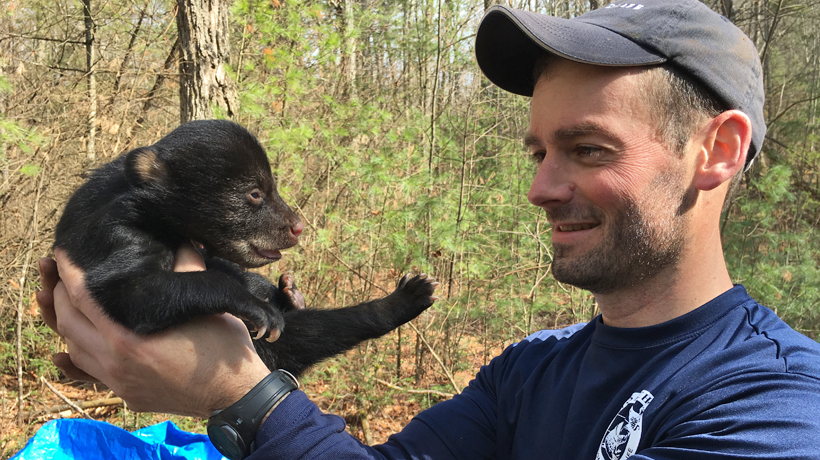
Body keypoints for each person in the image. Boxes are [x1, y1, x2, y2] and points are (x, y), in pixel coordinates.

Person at [38, 0, 820, 459]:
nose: (540, 188)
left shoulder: (776, 404)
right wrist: (236, 374)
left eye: (587, 149)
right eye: (538, 150)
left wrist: (243, 396)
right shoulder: (528, 373)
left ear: (714, 151)